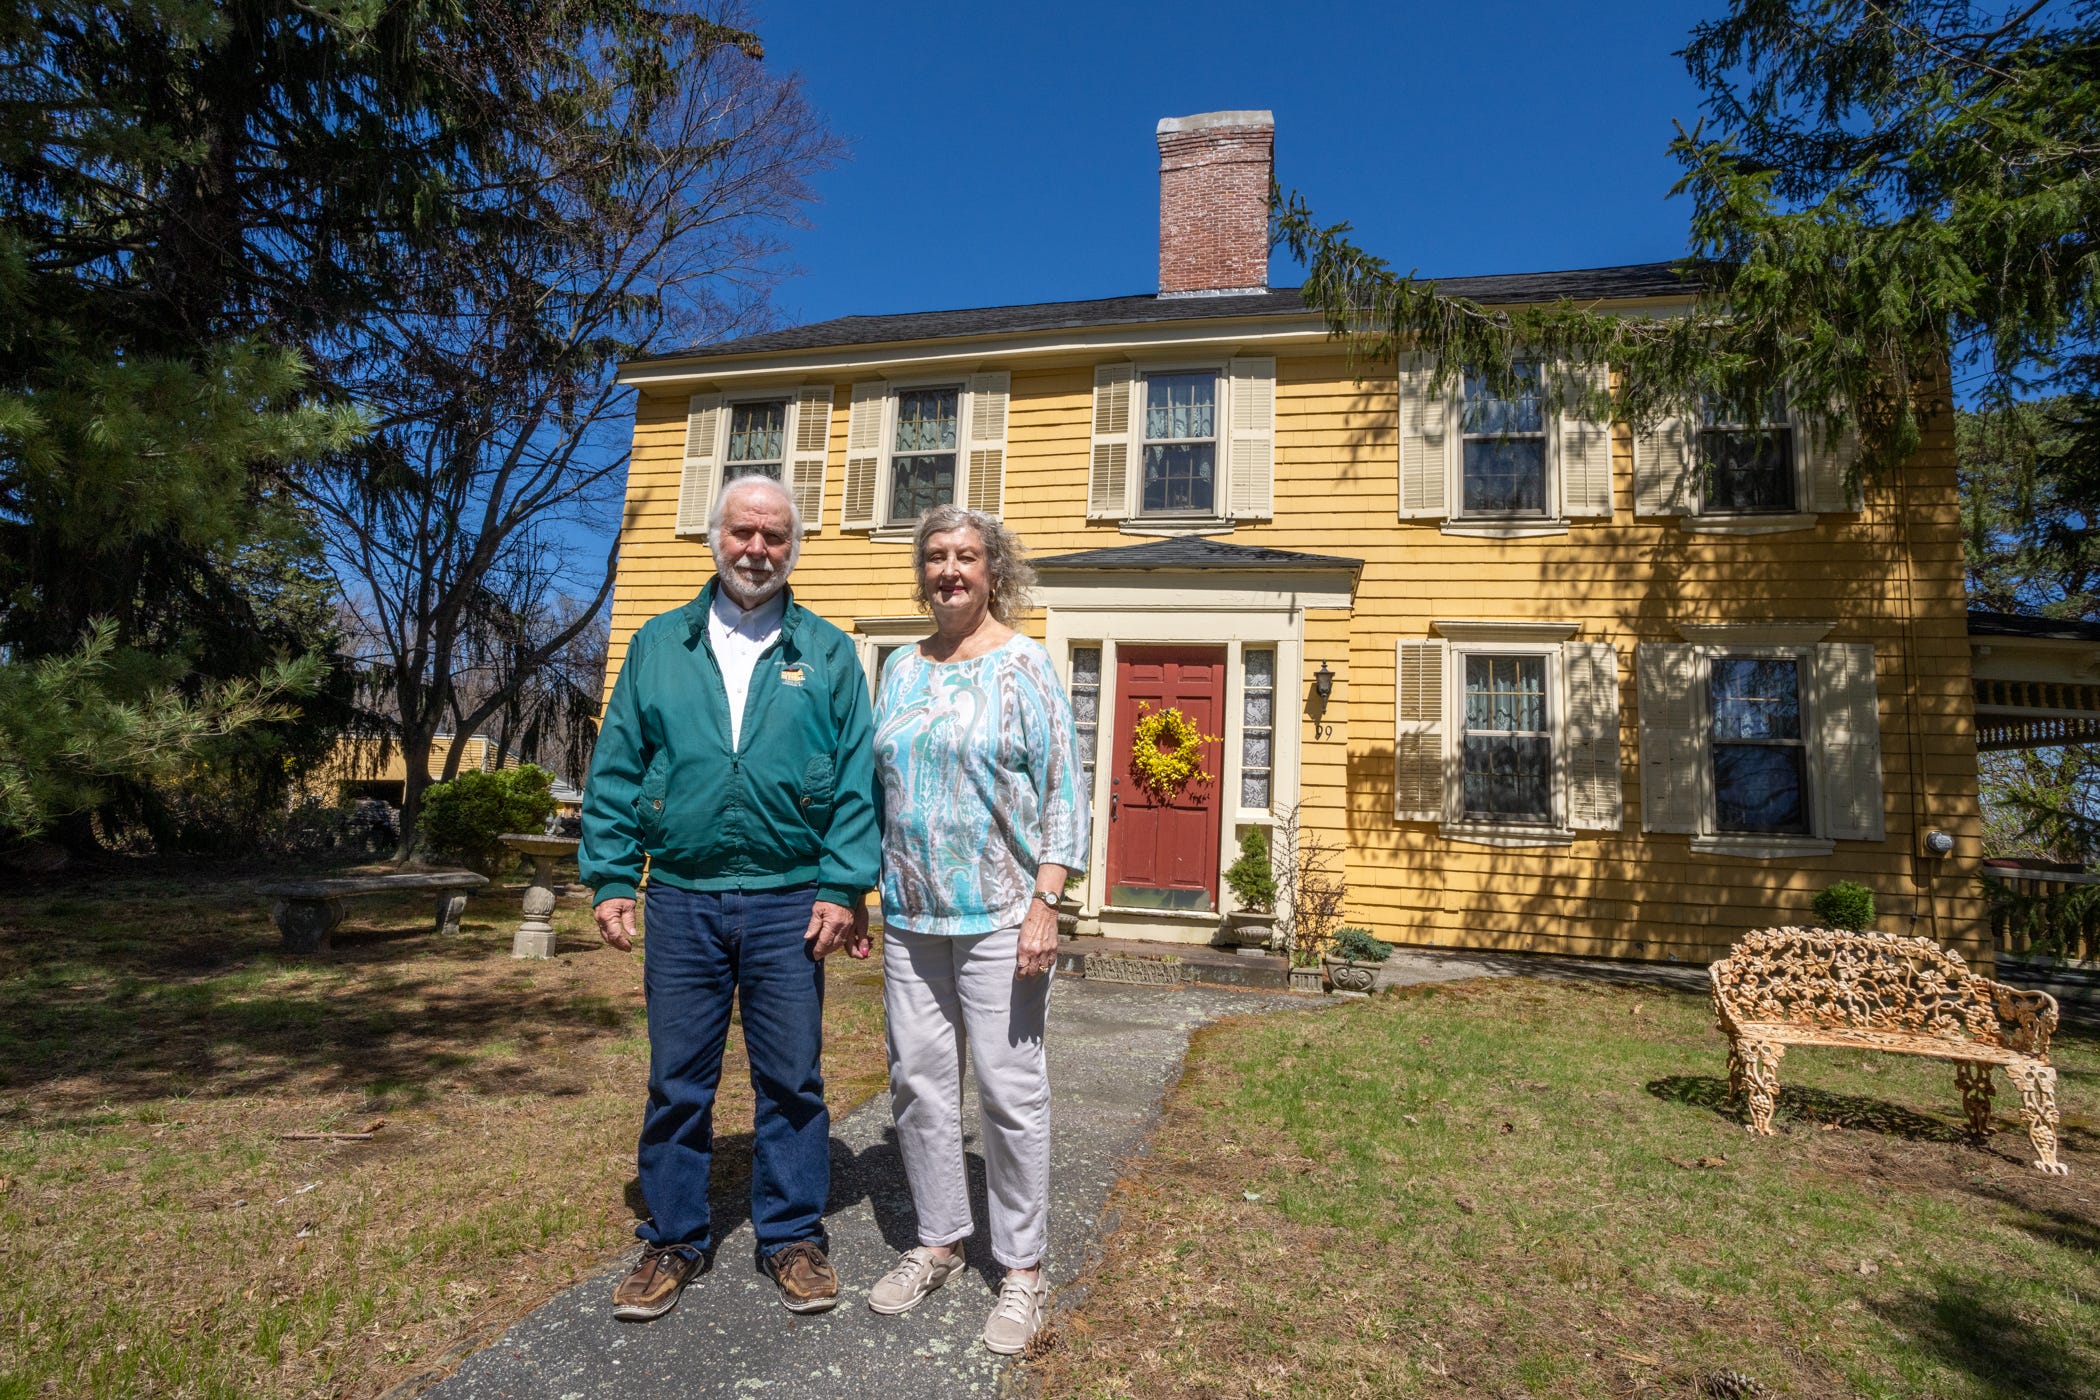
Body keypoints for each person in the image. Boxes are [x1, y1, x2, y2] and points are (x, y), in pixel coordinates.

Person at [579, 474, 878, 1323]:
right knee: (678, 1078)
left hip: (792, 899)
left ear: (794, 548)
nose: (757, 549)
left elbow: (857, 778)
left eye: (775, 536)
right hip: (683, 894)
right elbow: (620, 765)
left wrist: (842, 884)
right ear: (716, 539)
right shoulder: (658, 644)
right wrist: (610, 874)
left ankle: (790, 1237)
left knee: (792, 1079)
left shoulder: (825, 651)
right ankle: (674, 1236)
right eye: (744, 533)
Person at [862, 503, 1090, 1355]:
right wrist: (859, 891)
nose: (949, 570)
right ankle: (939, 1242)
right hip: (913, 914)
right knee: (919, 1087)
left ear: (993, 569)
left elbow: (1066, 787)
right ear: (921, 573)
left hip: (1003, 915)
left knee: (1008, 1093)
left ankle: (1023, 1269)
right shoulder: (898, 669)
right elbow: (877, 791)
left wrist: (1046, 903)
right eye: (935, 558)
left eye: (966, 556)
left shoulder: (1026, 665)